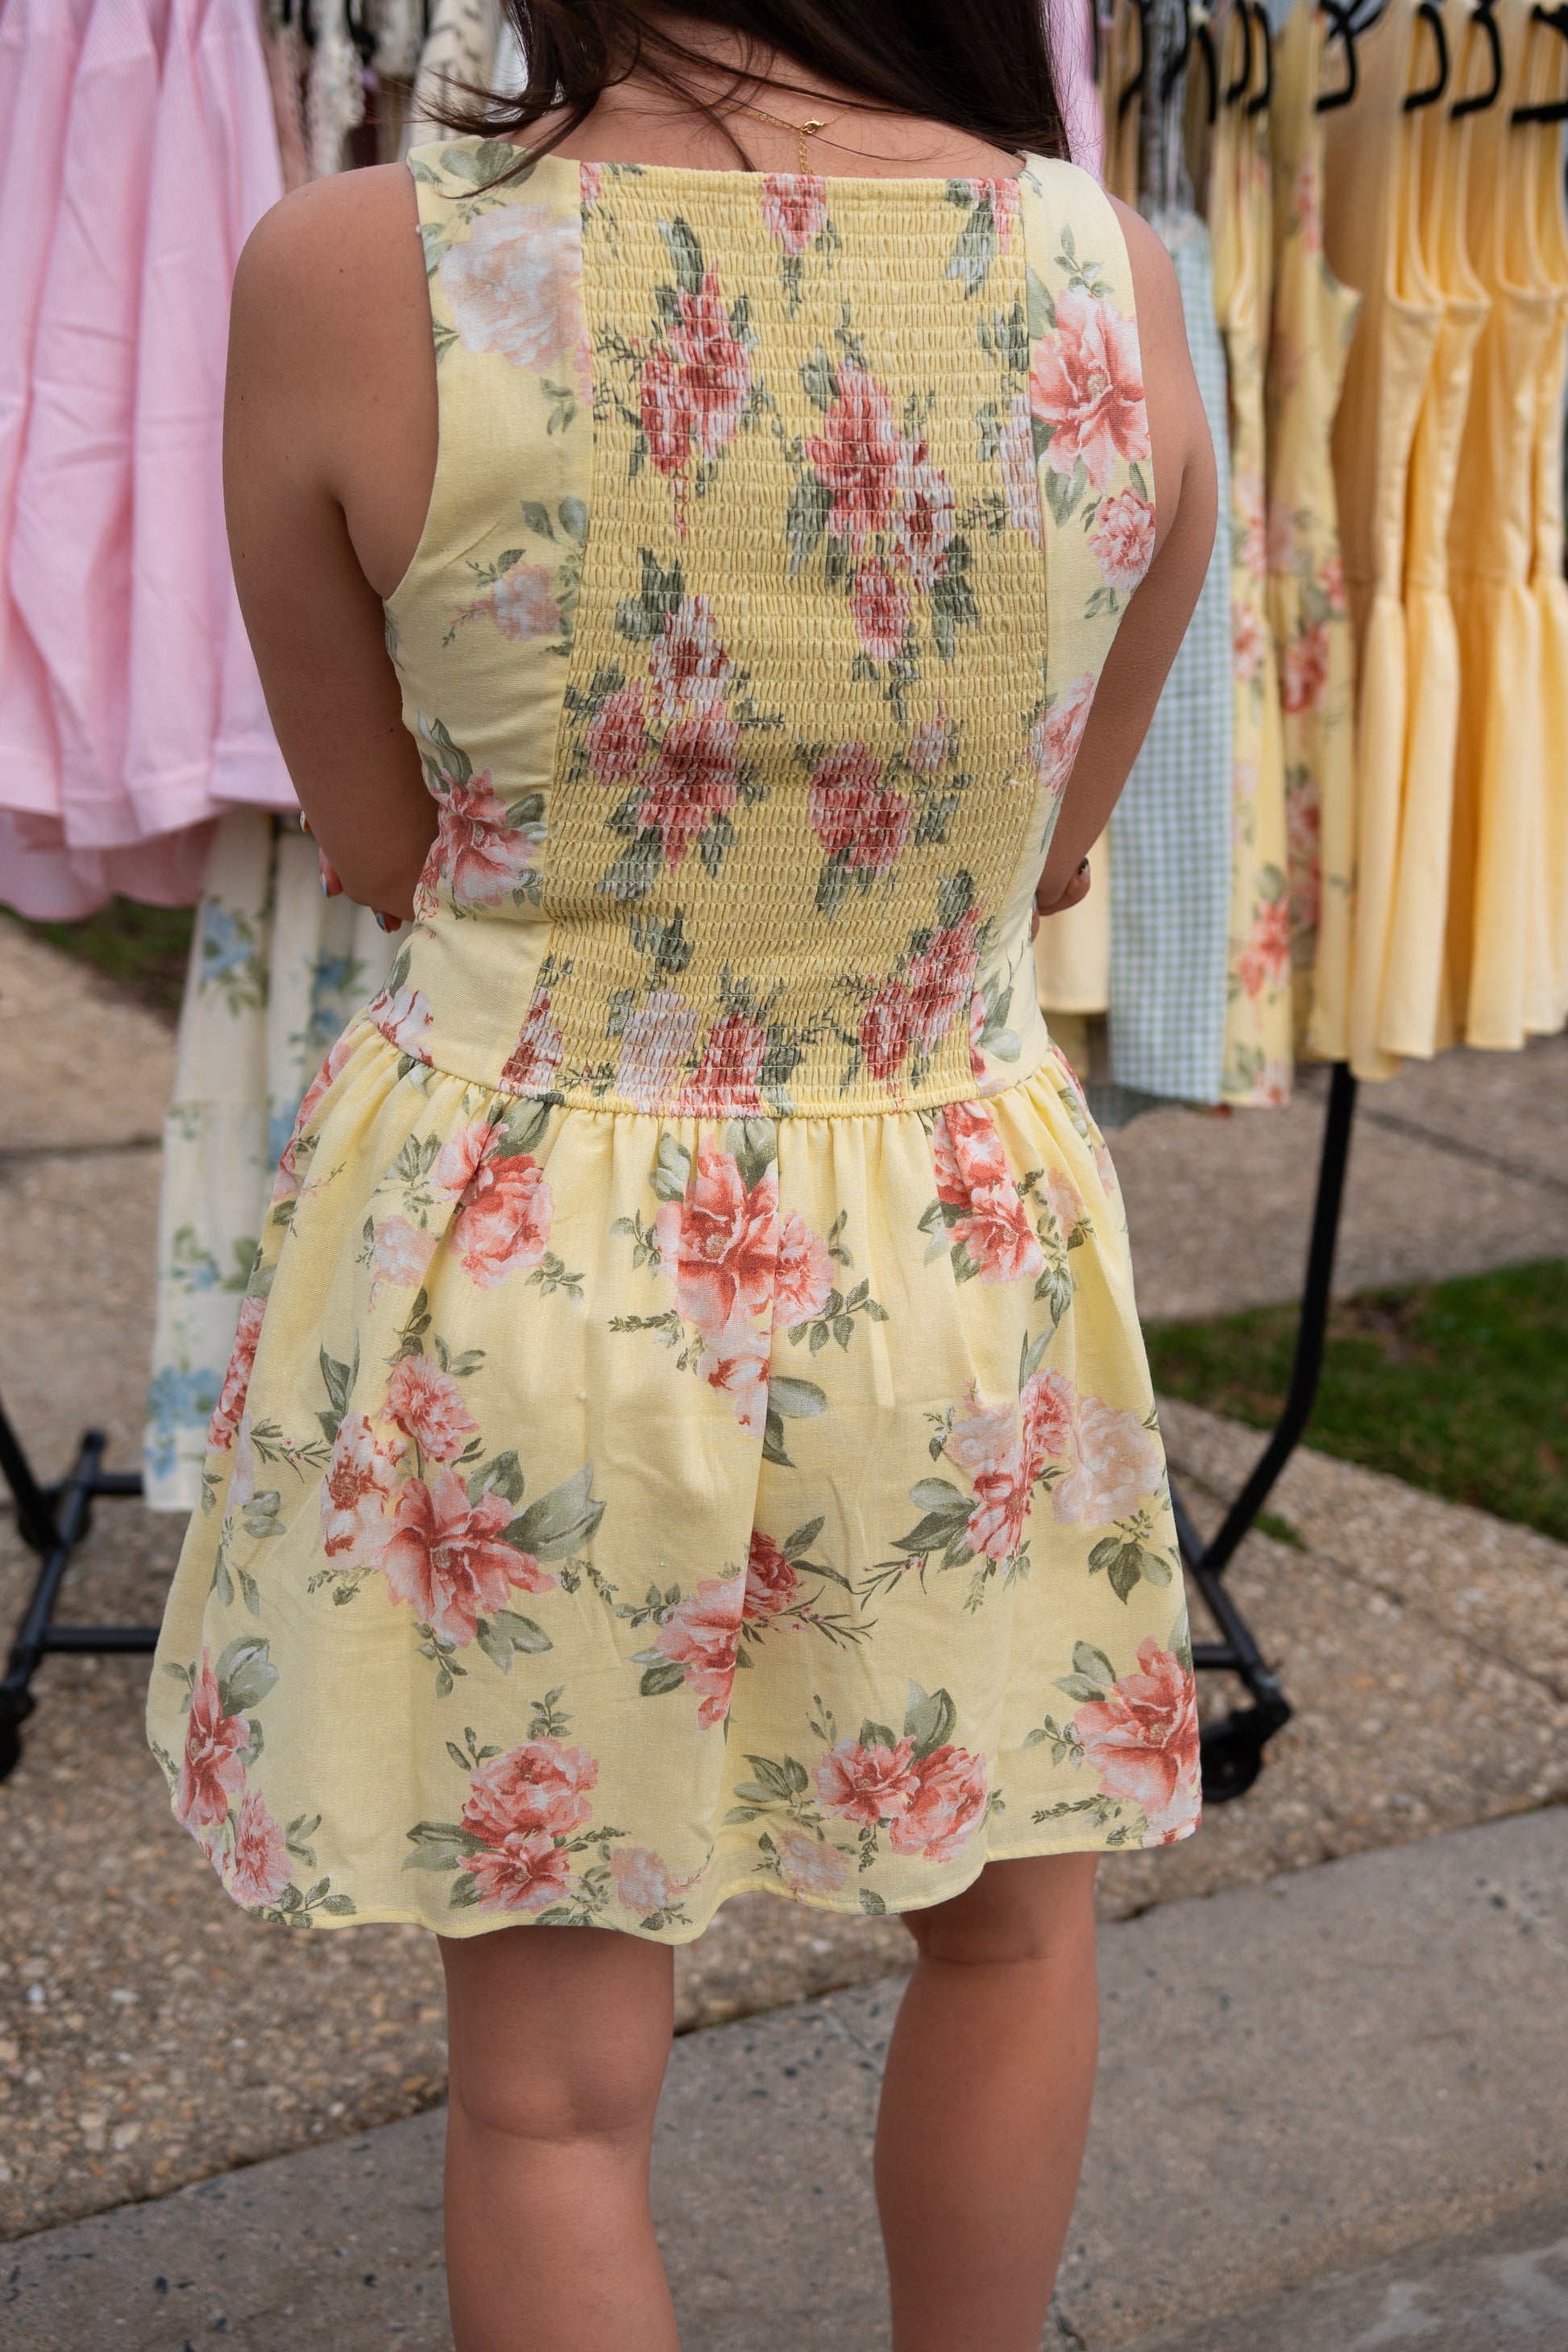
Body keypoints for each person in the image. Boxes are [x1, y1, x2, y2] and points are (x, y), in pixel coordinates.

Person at [148, 5, 1217, 2345]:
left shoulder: (358, 269)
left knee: (548, 2098)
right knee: (1011, 1937)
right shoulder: (1105, 275)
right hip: (948, 1235)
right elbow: (1048, 859)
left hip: (534, 1236)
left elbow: (383, 847)